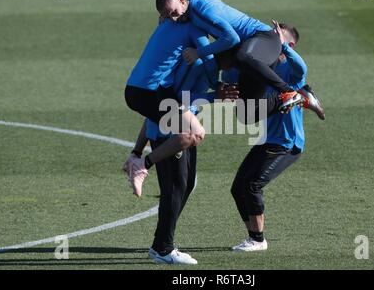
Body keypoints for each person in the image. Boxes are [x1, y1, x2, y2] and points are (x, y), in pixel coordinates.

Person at [125, 60, 238, 265]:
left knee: (186, 185)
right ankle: (163, 248)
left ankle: (161, 243)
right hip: (170, 131)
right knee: (175, 187)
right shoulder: (197, 65)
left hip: (177, 126)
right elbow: (177, 100)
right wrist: (215, 97)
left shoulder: (205, 66)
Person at [224, 24, 323, 251]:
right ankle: (253, 236)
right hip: (268, 141)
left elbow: (302, 66)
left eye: (278, 41)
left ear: (290, 46)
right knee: (238, 188)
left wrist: (283, 49)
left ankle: (258, 240)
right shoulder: (262, 69)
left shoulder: (290, 71)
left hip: (287, 144)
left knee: (252, 184)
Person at [155, 0, 314, 121]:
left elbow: (231, 39)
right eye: (169, 16)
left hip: (264, 40)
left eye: (174, 13)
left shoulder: (201, 9)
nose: (174, 19)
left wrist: (199, 52)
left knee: (241, 57)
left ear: (182, 1)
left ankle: (290, 92)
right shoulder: (191, 10)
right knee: (247, 113)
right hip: (254, 53)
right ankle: (297, 95)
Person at [124, 17, 218, 197]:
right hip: (164, 126)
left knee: (184, 187)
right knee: (194, 135)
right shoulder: (192, 52)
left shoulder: (169, 33)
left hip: (147, 97)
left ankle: (136, 158)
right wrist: (217, 91)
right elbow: (183, 97)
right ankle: (142, 164)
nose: (164, 18)